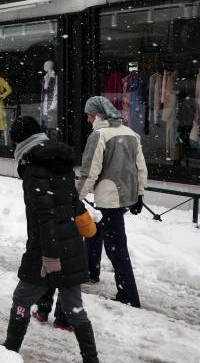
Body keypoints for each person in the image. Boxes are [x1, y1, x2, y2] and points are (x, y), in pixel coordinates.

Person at [2, 116, 98, 363]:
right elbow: (69, 201)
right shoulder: (59, 162)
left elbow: (45, 215)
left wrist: (50, 256)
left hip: (46, 248)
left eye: (14, 142)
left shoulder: (34, 169)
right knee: (74, 308)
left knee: (21, 300)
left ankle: (8, 353)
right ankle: (91, 359)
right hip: (71, 244)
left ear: (21, 141)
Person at [78, 95, 147, 308]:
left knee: (116, 246)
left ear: (97, 115)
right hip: (126, 195)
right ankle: (90, 271)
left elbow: (90, 171)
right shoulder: (130, 133)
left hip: (109, 197)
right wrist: (140, 194)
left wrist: (75, 197)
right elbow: (141, 168)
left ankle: (129, 295)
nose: (88, 120)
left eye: (89, 116)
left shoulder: (99, 135)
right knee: (95, 229)